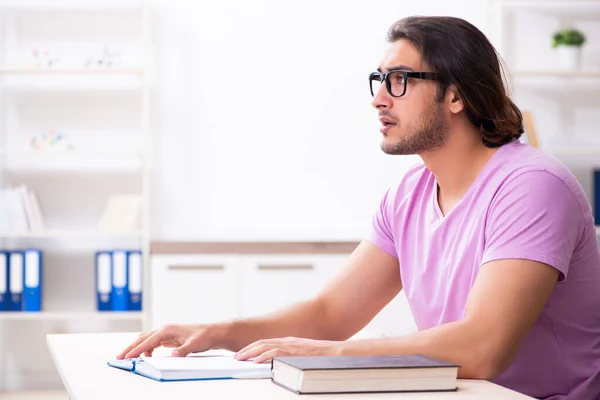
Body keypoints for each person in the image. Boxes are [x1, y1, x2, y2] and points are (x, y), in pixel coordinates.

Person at [117, 16, 600, 399]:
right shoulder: (408, 194)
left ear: (457, 95)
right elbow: (331, 313)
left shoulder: (531, 185)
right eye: (379, 79)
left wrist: (331, 353)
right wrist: (219, 331)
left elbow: (483, 346)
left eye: (399, 80)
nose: (379, 99)